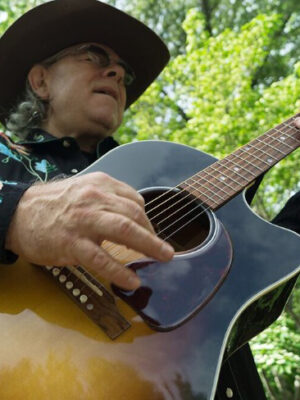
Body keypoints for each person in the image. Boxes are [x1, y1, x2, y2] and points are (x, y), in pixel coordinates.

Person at [0, 1, 298, 399]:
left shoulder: (159, 172)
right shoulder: (7, 158)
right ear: (40, 82)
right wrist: (17, 213)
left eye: (124, 72)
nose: (117, 73)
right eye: (95, 57)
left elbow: (268, 267)